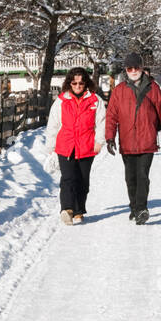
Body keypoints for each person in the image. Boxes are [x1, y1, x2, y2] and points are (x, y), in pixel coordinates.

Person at [105, 52, 161, 225]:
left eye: (136, 67)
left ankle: (141, 209)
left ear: (142, 68)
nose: (133, 71)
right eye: (130, 68)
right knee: (131, 178)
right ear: (126, 70)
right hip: (127, 141)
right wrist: (109, 138)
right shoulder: (119, 91)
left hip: (147, 140)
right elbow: (111, 116)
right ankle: (134, 207)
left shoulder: (153, 88)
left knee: (142, 175)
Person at [43, 67, 104, 225]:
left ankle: (79, 210)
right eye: (74, 83)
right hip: (66, 145)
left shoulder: (95, 100)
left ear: (86, 83)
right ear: (69, 83)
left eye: (81, 83)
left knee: (83, 181)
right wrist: (50, 146)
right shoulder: (62, 101)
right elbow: (53, 124)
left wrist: (99, 141)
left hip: (86, 146)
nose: (78, 86)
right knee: (68, 179)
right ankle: (67, 209)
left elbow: (102, 123)